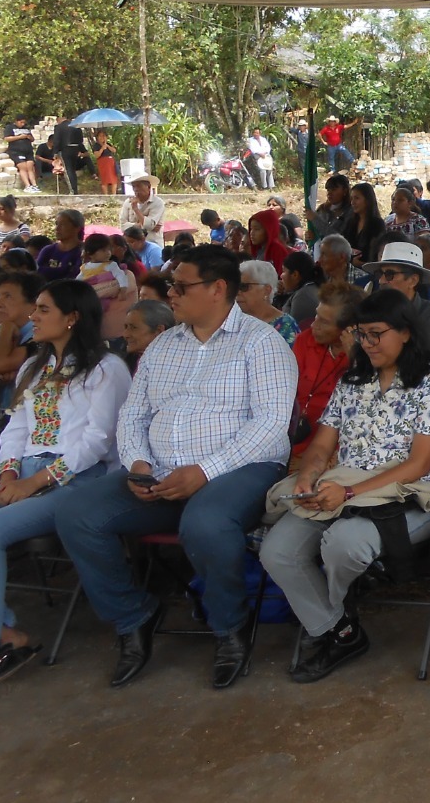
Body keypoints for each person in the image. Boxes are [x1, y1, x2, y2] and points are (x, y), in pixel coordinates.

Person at [54, 246, 297, 691]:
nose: (171, 294)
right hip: (161, 471)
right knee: (76, 512)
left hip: (242, 467)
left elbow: (270, 425)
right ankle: (133, 616)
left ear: (217, 289)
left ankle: (229, 627)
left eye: (181, 287)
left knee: (205, 524)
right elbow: (134, 414)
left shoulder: (262, 343)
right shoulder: (164, 345)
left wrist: (204, 471)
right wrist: (138, 463)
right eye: (172, 286)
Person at [0, 280, 130, 697]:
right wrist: (8, 475)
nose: (33, 317)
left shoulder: (106, 368)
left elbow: (98, 442)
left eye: (42, 309)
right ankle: (6, 633)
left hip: (78, 479)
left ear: (72, 317)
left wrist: (37, 481)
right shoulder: (33, 367)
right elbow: (16, 428)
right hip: (24, 473)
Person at [261, 288, 430, 683]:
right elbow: (323, 443)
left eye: (376, 334)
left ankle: (334, 621)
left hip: (414, 494)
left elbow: (419, 465)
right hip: (342, 489)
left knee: (344, 544)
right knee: (277, 552)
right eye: (361, 334)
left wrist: (351, 493)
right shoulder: (353, 381)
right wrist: (308, 475)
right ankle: (340, 629)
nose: (367, 344)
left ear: (405, 332)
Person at [289, 281, 363, 464]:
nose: (314, 325)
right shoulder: (305, 340)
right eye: (316, 316)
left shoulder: (365, 355)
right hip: (294, 440)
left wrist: (356, 360)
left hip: (336, 450)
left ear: (348, 328)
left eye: (324, 322)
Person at [362, 242, 430, 366]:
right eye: (379, 274)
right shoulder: (374, 312)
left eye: (389, 275)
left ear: (413, 280)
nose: (381, 280)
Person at [78, 234, 137, 341]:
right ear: (90, 253)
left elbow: (120, 278)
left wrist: (123, 289)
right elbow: (78, 283)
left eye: (109, 249)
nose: (108, 253)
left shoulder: (112, 266)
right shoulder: (85, 268)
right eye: (103, 250)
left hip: (114, 330)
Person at [238, 260, 300, 345]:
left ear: (266, 290)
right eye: (235, 287)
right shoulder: (231, 320)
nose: (237, 292)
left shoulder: (286, 326)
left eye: (243, 287)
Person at [121, 299, 173, 372]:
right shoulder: (124, 363)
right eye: (126, 327)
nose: (125, 335)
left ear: (159, 331)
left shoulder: (174, 365)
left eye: (134, 327)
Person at [36, 210, 85, 283]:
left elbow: (75, 277)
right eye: (56, 224)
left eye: (62, 224)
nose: (57, 228)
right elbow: (36, 273)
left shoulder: (83, 252)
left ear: (77, 228)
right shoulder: (48, 250)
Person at [343, 182, 387, 264]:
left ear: (367, 200)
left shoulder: (377, 224)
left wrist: (361, 264)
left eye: (357, 198)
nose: (352, 202)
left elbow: (378, 255)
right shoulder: (350, 222)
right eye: (351, 199)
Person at [279, 251, 322, 327]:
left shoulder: (303, 296)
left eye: (284, 271)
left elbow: (290, 328)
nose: (281, 276)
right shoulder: (310, 288)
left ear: (295, 275)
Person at [117, 173, 166, 239]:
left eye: (139, 186)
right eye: (133, 186)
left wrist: (136, 209)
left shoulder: (158, 203)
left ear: (148, 187)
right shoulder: (128, 202)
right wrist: (140, 225)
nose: (136, 189)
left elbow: (150, 225)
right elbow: (123, 226)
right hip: (132, 242)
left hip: (152, 242)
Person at [48, 117, 89, 194]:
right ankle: (75, 188)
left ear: (59, 119)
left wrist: (55, 153)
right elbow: (81, 140)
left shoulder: (59, 127)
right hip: (75, 148)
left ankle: (73, 190)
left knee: (68, 170)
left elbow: (57, 140)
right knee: (73, 170)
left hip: (65, 149)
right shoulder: (76, 125)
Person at [5, 115, 41, 193]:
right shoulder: (10, 127)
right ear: (16, 121)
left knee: (30, 167)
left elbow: (32, 139)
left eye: (24, 122)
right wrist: (19, 137)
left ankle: (34, 185)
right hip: (16, 151)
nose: (22, 124)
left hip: (28, 151)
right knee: (23, 167)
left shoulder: (26, 128)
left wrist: (29, 137)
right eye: (21, 122)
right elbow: (7, 138)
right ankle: (27, 185)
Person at [314, 174, 354, 239]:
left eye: (333, 190)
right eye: (328, 190)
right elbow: (314, 231)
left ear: (345, 191)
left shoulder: (350, 212)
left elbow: (339, 238)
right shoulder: (322, 209)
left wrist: (315, 219)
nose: (329, 193)